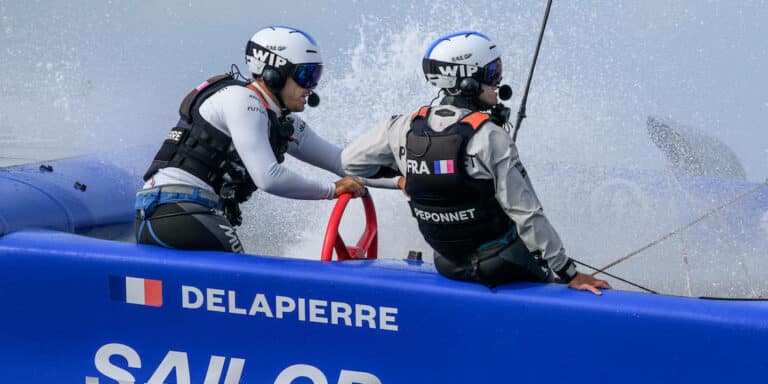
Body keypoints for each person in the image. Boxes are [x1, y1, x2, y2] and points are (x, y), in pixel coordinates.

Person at [341, 31, 611, 294]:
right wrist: (570, 274)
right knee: (545, 262)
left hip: (447, 265)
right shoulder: (490, 136)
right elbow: (527, 215)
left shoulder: (402, 127)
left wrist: (404, 176)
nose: (498, 82)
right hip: (501, 266)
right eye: (492, 73)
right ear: (467, 81)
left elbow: (350, 162)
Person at [136, 25, 395, 253]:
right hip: (174, 211)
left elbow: (342, 162)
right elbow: (269, 178)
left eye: (316, 75)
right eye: (306, 75)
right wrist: (331, 190)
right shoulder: (243, 100)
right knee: (244, 284)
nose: (312, 87)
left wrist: (403, 181)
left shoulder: (280, 121)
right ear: (274, 74)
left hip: (174, 214)